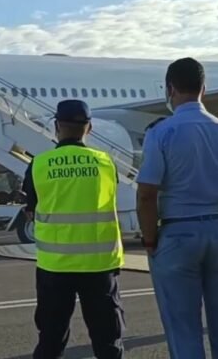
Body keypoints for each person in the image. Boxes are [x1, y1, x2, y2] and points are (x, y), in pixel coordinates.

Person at [136, 57, 218, 359]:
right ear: (203, 88)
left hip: (179, 231)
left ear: (170, 89)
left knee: (183, 329)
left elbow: (146, 194)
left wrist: (150, 238)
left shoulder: (162, 133)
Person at [22, 99, 125, 359]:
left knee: (51, 340)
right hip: (99, 264)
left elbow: (31, 210)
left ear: (57, 126)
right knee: (108, 341)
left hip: (55, 266)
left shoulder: (39, 165)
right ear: (89, 128)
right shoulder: (106, 163)